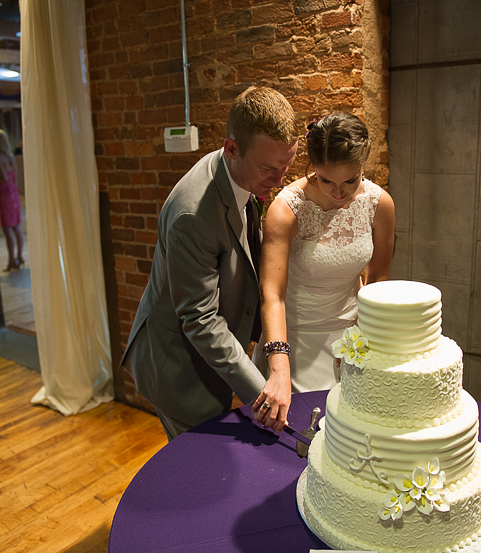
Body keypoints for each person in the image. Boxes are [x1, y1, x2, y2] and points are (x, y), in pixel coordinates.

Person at [121, 87, 299, 441]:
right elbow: (200, 319)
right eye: (268, 169)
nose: (279, 181)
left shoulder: (238, 172)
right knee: (195, 476)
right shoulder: (193, 215)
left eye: (287, 165)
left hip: (212, 359)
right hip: (179, 368)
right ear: (231, 148)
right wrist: (261, 395)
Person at [252, 112, 396, 429]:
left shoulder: (379, 204)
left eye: (350, 181)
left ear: (363, 166)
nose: (338, 192)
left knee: (354, 437)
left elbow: (378, 279)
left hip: (352, 335)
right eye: (325, 179)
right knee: (299, 438)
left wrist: (362, 340)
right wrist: (279, 365)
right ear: (312, 165)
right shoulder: (286, 209)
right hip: (294, 339)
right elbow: (272, 294)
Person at [0, 128, 24, 272]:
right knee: (16, 226)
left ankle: (11, 261)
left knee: (7, 228)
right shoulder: (10, 156)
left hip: (3, 193)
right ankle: (19, 256)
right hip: (13, 191)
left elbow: (3, 177)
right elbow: (14, 178)